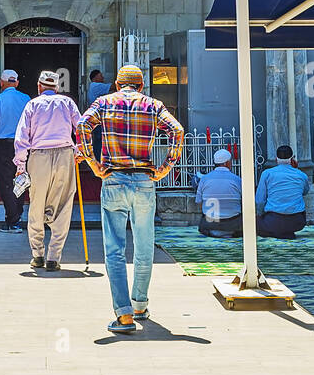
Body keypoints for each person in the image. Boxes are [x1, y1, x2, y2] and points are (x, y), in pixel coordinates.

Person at [77, 64, 184, 333]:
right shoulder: (153, 105)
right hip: (144, 181)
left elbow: (82, 126)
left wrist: (92, 162)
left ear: (116, 84)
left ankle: (123, 314)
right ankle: (139, 304)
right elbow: (177, 132)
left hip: (113, 179)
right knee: (144, 246)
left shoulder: (104, 103)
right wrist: (166, 167)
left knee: (114, 249)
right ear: (141, 85)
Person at [14, 70, 81, 271]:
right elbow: (82, 129)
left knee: (36, 204)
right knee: (63, 205)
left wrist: (20, 164)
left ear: (39, 86)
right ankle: (54, 257)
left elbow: (22, 136)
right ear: (57, 87)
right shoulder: (67, 102)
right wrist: (80, 151)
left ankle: (37, 254)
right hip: (64, 155)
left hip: (39, 156)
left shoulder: (32, 104)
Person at [0, 68, 32, 232]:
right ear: (17, 82)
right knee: (21, 180)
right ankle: (17, 215)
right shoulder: (26, 99)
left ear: (1, 83)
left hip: (5, 145)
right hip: (23, 145)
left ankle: (13, 221)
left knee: (5, 183)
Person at [255, 145, 311, 238]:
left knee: (253, 223)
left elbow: (260, 200)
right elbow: (305, 191)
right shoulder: (301, 175)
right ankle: (285, 232)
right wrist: (296, 170)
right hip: (297, 221)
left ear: (276, 159)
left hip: (273, 221)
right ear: (292, 159)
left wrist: (260, 216)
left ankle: (276, 231)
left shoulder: (267, 174)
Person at [195, 149, 243, 237]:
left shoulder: (205, 179)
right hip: (233, 225)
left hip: (210, 224)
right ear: (227, 163)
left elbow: (199, 202)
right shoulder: (237, 180)